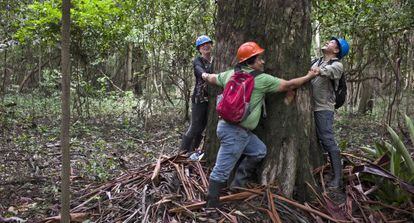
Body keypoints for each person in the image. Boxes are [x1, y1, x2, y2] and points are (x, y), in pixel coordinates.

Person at [201, 41, 319, 208]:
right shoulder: (261, 79)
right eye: (259, 59)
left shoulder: (230, 74)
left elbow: (213, 78)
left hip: (232, 129)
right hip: (235, 133)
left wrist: (204, 76)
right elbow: (289, 84)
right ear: (250, 62)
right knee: (221, 169)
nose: (263, 62)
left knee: (259, 151)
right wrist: (310, 76)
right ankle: (211, 207)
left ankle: (238, 184)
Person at [310, 37, 349, 189]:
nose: (328, 42)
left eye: (332, 43)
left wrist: (316, 71)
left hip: (323, 108)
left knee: (327, 140)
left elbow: (325, 72)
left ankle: (338, 178)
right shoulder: (316, 61)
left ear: (337, 50)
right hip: (310, 107)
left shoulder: (337, 65)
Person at [180, 35, 214, 154]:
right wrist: (205, 75)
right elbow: (199, 70)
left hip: (212, 99)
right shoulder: (198, 60)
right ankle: (182, 153)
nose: (206, 46)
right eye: (202, 45)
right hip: (199, 98)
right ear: (199, 49)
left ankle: (192, 152)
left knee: (202, 128)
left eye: (208, 44)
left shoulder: (216, 60)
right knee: (195, 127)